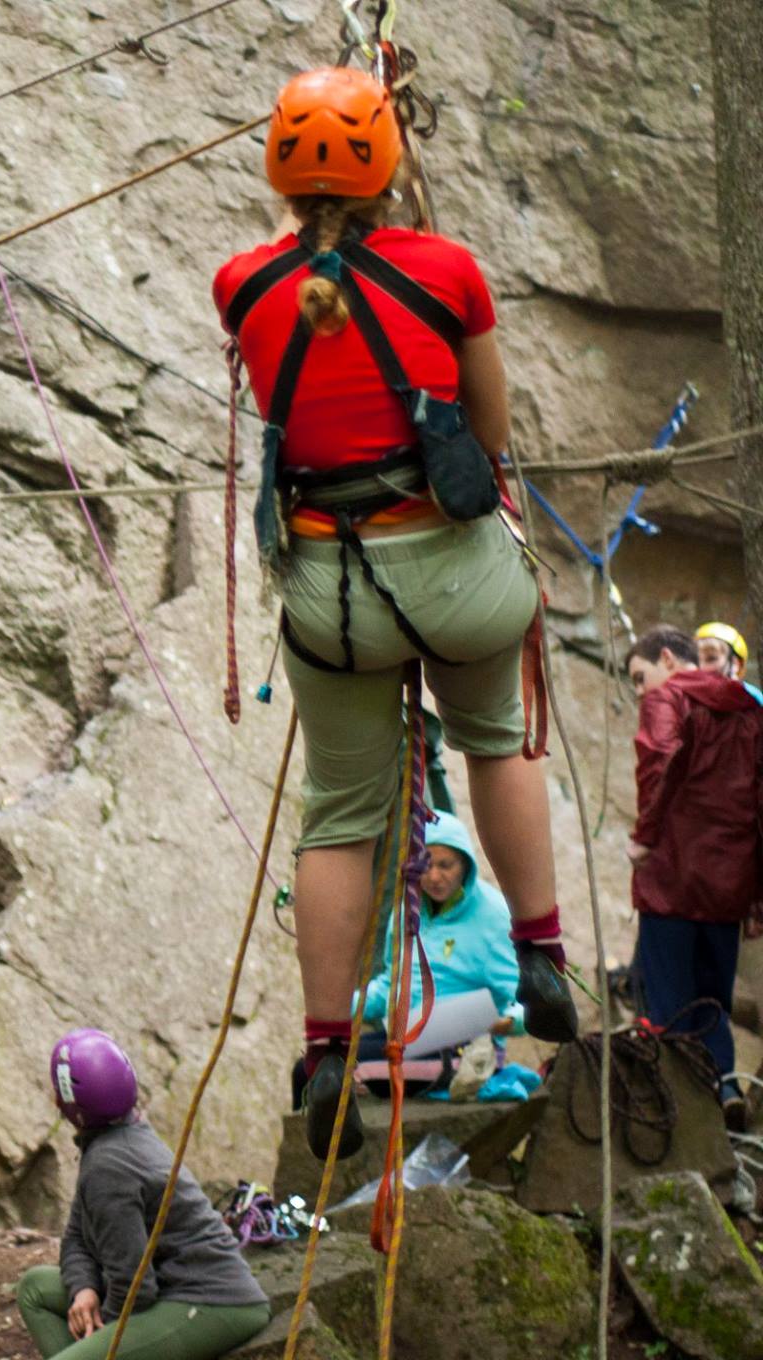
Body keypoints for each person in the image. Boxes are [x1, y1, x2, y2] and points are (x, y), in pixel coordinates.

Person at [213, 65, 576, 1162]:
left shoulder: (240, 285)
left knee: (339, 814)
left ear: (277, 165)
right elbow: (488, 425)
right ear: (392, 166)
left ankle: (328, 1048)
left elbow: (304, 347)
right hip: (453, 576)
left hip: (329, 591)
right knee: (496, 738)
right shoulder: (447, 271)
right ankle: (542, 955)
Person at [13, 1030, 271, 1360]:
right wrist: (84, 1289)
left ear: (65, 1105)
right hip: (167, 1288)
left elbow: (135, 1287)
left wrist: (105, 1329)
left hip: (212, 1302)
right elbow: (77, 1235)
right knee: (35, 1287)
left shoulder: (108, 1166)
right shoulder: (117, 1138)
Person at [626, 624, 763, 1132]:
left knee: (665, 999)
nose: (642, 691)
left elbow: (659, 760)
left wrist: (644, 836)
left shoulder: (670, 697)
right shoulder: (751, 710)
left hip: (672, 879)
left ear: (665, 658)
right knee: (713, 999)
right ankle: (724, 1084)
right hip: (729, 884)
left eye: (640, 678)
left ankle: (680, 1115)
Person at [353, 811, 523, 1095]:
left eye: (446, 865)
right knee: (320, 1061)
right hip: (407, 1035)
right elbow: (389, 984)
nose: (434, 876)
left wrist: (506, 1022)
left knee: (345, 1071)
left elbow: (520, 999)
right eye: (426, 865)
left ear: (465, 865)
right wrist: (340, 1010)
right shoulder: (408, 908)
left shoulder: (492, 915)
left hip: (464, 1052)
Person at [693, 621, 763, 705]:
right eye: (695, 660)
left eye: (711, 659)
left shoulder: (752, 697)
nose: (701, 667)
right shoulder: (691, 696)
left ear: (735, 664)